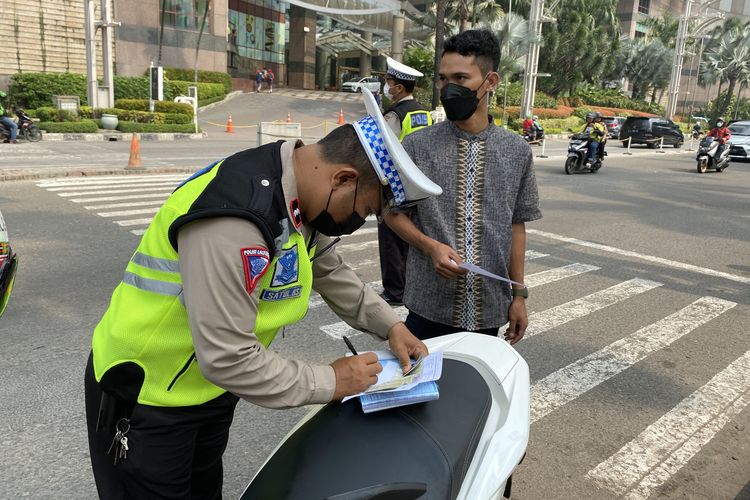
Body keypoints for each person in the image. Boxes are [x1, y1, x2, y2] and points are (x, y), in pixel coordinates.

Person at [84, 89, 441, 498]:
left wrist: (390, 326)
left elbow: (327, 268)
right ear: (343, 178)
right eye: (365, 209)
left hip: (207, 389)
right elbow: (228, 356)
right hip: (148, 395)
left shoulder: (299, 189)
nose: (360, 221)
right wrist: (332, 380)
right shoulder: (237, 218)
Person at [383, 29, 542, 344]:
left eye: (460, 78)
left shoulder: (517, 150)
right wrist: (431, 248)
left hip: (489, 310)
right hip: (428, 307)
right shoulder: (417, 146)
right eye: (443, 79)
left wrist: (519, 294)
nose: (448, 89)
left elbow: (516, 225)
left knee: (473, 391)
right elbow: (392, 213)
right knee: (422, 391)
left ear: (490, 82)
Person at [378, 57, 433, 307]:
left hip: (396, 184)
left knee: (390, 237)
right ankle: (409, 286)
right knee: (411, 237)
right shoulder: (424, 112)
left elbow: (384, 148)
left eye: (388, 82)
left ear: (399, 88)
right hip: (419, 183)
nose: (386, 86)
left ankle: (394, 292)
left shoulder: (395, 114)